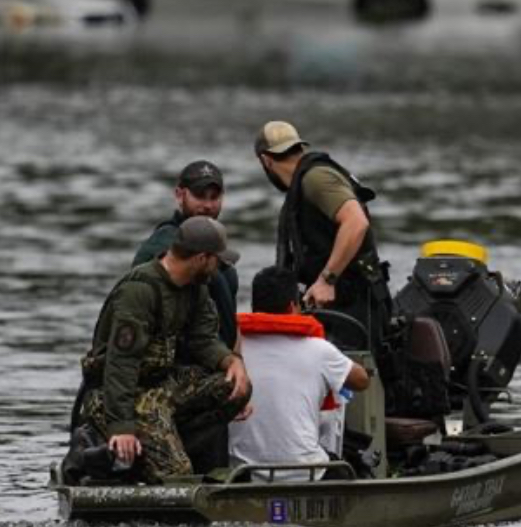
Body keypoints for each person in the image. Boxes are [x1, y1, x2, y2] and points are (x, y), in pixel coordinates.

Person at [74, 216, 252, 483]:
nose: (219, 269)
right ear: (202, 258)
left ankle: (163, 445)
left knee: (234, 388)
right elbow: (121, 364)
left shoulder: (196, 288)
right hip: (124, 395)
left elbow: (204, 340)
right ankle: (122, 455)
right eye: (217, 260)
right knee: (177, 476)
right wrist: (121, 426)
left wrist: (231, 360)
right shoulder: (140, 290)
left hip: (162, 386)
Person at [131, 160, 241, 473]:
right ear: (180, 195)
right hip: (174, 382)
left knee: (213, 467)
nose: (207, 205)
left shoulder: (215, 248)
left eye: (214, 197)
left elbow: (228, 319)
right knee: (183, 473)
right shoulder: (167, 249)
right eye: (199, 196)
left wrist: (237, 365)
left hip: (209, 380)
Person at [254, 121, 391, 354]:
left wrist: (327, 280)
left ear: (266, 160)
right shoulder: (304, 182)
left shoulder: (315, 179)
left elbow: (356, 222)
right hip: (341, 307)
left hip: (357, 306)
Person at [229, 266, 369, 480]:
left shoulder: (232, 350)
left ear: (253, 306)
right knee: (350, 468)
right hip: (307, 473)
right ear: (293, 305)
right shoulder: (319, 350)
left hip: (243, 474)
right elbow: (361, 381)